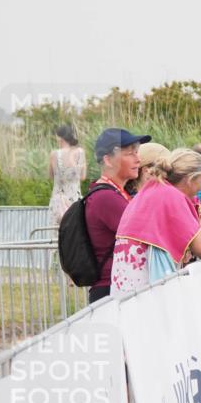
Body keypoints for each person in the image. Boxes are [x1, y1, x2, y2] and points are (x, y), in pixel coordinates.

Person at [111, 149, 201, 295]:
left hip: (126, 277)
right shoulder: (173, 196)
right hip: (144, 280)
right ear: (190, 180)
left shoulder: (154, 188)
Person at [85, 128, 150, 303]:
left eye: (137, 153)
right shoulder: (106, 198)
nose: (138, 159)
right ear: (108, 159)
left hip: (119, 286)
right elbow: (148, 233)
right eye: (130, 154)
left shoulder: (117, 193)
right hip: (112, 291)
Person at [48, 124, 87, 226]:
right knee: (74, 232)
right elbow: (83, 177)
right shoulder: (80, 152)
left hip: (58, 200)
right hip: (74, 199)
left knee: (55, 234)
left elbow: (51, 176)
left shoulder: (54, 154)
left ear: (60, 137)